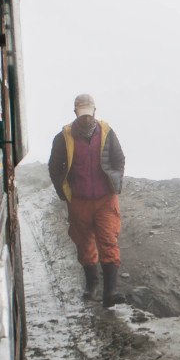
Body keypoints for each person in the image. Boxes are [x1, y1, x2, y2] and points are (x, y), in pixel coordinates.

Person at [48, 93, 127, 306]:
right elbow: (54, 167)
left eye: (88, 113)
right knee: (84, 244)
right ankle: (91, 285)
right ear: (75, 113)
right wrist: (63, 193)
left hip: (105, 199)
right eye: (81, 114)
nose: (86, 118)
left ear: (94, 111)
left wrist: (116, 180)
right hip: (79, 200)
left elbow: (119, 160)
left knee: (108, 240)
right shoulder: (63, 137)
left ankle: (110, 292)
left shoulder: (107, 133)